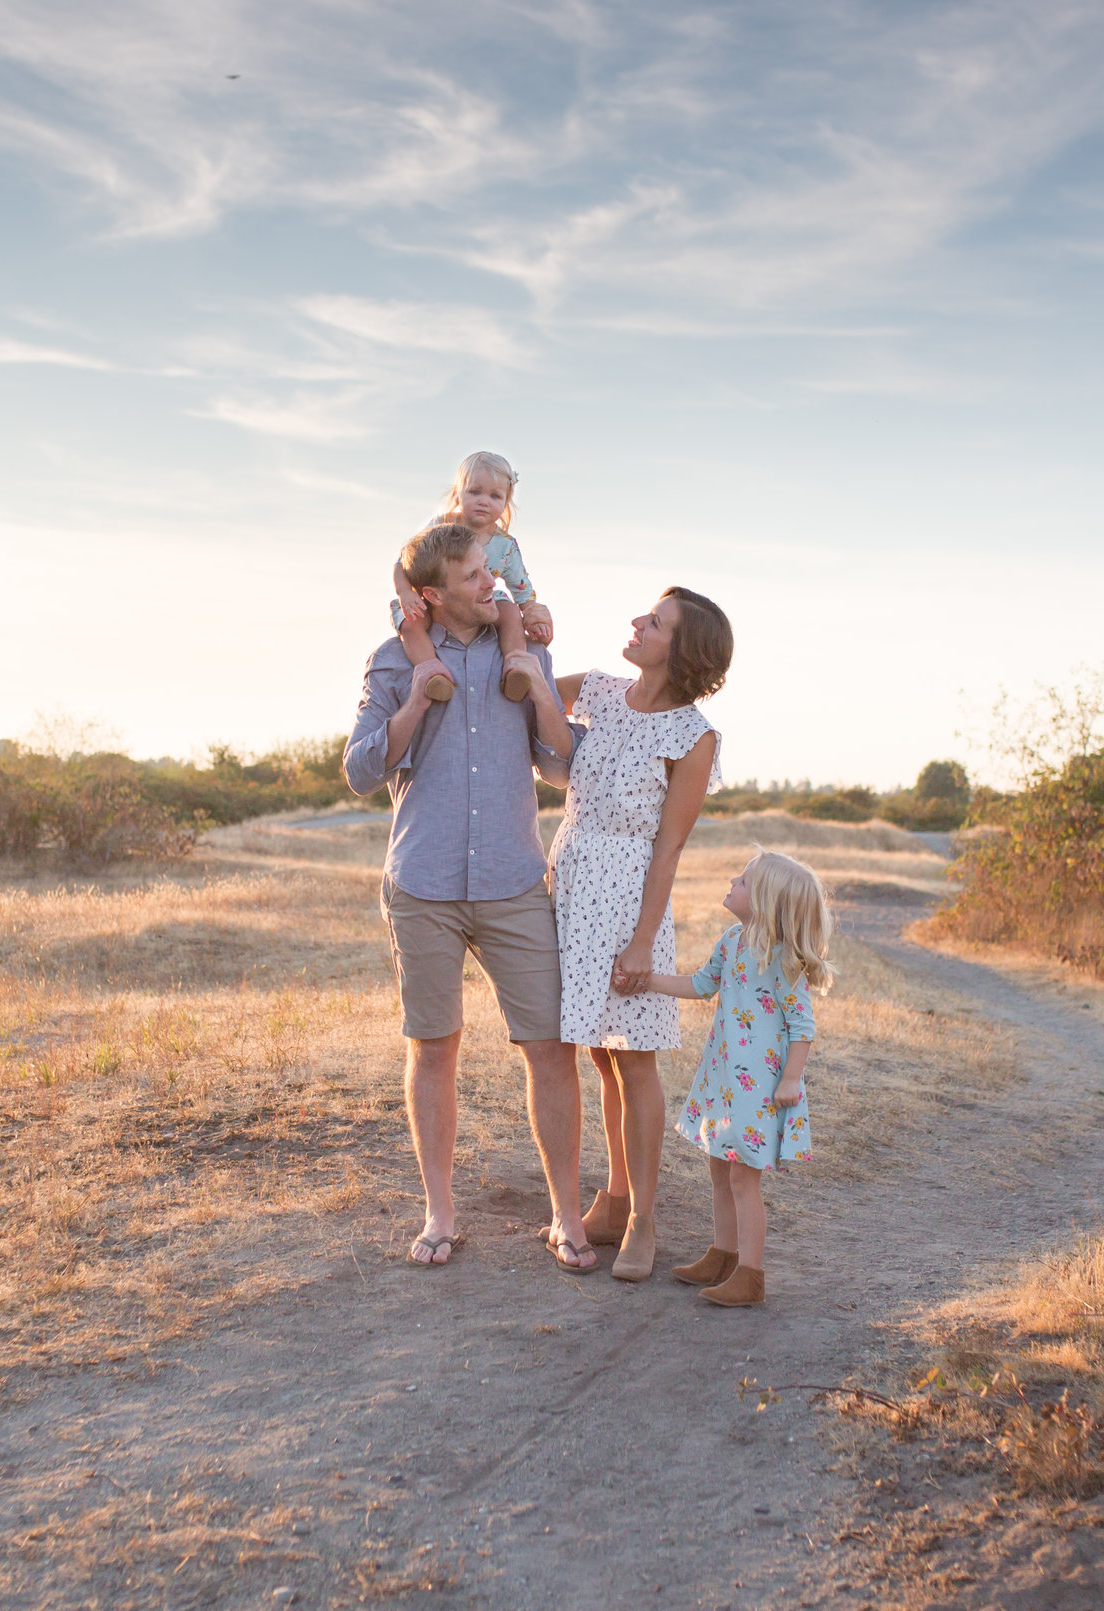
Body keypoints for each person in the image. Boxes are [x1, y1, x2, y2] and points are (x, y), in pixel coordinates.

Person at [343, 521, 598, 1272]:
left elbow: (559, 767)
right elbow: (360, 770)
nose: (491, 584)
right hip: (422, 882)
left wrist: (547, 695)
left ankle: (564, 1218)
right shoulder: (393, 661)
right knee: (434, 1048)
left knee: (551, 1049)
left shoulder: (526, 653)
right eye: (473, 577)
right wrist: (417, 703)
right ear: (431, 594)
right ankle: (440, 1215)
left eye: (490, 570)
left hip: (514, 881)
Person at [547, 587, 731, 1283]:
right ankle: (614, 1194)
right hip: (572, 883)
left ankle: (644, 1217)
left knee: (637, 1058)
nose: (636, 623)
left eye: (654, 622)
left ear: (680, 650)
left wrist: (642, 940)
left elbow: (670, 848)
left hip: (630, 901)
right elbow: (526, 689)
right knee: (598, 1051)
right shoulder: (597, 688)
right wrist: (521, 622)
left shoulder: (694, 735)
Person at [616, 851, 836, 1308]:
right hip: (726, 1080)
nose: (732, 882)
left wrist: (792, 1079)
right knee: (719, 1167)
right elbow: (700, 985)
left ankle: (750, 1274)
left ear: (764, 902)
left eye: (743, 880)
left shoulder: (784, 961)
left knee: (742, 1179)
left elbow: (803, 1028)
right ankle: (723, 1254)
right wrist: (647, 980)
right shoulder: (733, 941)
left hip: (762, 1089)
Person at [390, 453, 552, 705]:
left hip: (485, 598)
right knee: (411, 623)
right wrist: (405, 592)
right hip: (434, 594)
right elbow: (404, 561)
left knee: (509, 612)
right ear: (458, 494)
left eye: (495, 496)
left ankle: (516, 668)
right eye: (475, 492)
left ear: (506, 502)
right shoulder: (441, 526)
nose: (483, 502)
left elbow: (521, 589)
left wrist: (531, 613)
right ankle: (432, 674)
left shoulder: (505, 545)